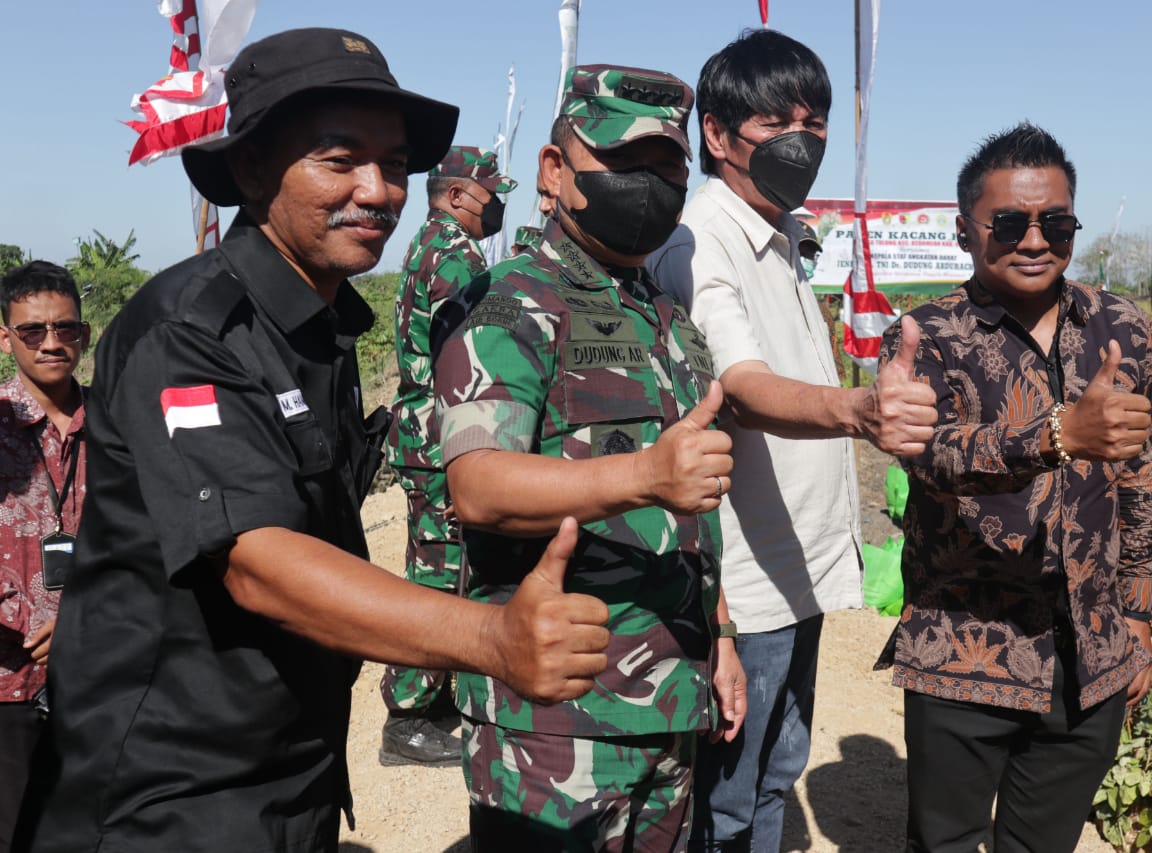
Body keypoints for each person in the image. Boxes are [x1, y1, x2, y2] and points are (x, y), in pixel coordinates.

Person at [21, 29, 609, 853]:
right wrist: (490, 638)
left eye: (396, 164)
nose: (380, 191)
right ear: (254, 167)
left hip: (289, 763)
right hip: (171, 792)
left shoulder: (322, 326)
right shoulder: (189, 329)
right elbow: (258, 559)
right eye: (340, 160)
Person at [433, 64, 739, 852]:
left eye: (668, 166)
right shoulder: (511, 303)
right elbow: (478, 483)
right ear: (554, 170)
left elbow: (697, 509)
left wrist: (725, 639)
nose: (650, 184)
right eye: (624, 162)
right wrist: (641, 475)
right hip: (556, 718)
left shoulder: (671, 321)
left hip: (671, 696)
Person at [647, 30, 937, 853]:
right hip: (748, 575)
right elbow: (741, 382)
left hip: (795, 561)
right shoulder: (700, 240)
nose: (801, 140)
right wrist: (858, 411)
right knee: (729, 792)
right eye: (777, 122)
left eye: (814, 120)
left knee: (776, 767)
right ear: (716, 135)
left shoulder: (780, 236)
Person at [877, 122, 1152, 852]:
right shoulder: (926, 335)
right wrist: (1059, 434)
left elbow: (1142, 474)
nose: (1035, 240)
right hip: (965, 650)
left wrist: (1136, 613)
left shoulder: (1120, 326)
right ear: (966, 230)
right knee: (943, 843)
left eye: (1057, 222)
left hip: (1089, 653)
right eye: (1010, 222)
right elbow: (932, 457)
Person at [381, 145, 516, 768]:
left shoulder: (429, 245)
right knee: (439, 576)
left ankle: (429, 700)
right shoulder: (454, 256)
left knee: (442, 567)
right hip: (438, 439)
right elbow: (472, 350)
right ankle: (408, 715)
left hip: (422, 434)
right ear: (459, 195)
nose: (499, 206)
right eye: (492, 195)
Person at [0, 262, 88, 851]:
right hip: (7, 678)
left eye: (66, 329)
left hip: (99, 673)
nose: (52, 343)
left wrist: (85, 617)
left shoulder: (118, 422)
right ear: (5, 336)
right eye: (33, 331)